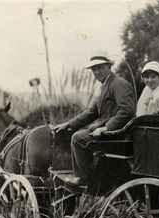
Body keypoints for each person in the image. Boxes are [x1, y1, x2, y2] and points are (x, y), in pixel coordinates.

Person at [54, 51, 136, 187]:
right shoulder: (106, 85)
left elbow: (127, 111)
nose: (97, 72)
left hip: (118, 134)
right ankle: (93, 174)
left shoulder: (118, 84)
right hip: (112, 132)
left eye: (100, 67)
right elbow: (92, 112)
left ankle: (84, 179)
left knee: (78, 139)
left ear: (109, 67)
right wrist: (68, 124)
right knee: (78, 133)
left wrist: (106, 128)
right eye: (94, 69)